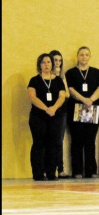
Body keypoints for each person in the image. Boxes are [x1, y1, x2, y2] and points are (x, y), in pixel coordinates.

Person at [65, 46, 99, 178]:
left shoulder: (96, 72)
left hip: (93, 108)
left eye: (86, 55)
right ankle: (77, 170)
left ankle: (91, 170)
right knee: (77, 140)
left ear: (90, 57)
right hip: (76, 108)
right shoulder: (71, 73)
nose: (84, 57)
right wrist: (83, 99)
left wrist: (91, 99)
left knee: (90, 139)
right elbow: (70, 89)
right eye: (81, 54)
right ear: (77, 56)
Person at [27, 53, 67, 181]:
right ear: (39, 65)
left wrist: (54, 108)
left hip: (55, 116)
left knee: (54, 144)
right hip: (38, 116)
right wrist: (46, 109)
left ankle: (51, 173)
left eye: (49, 62)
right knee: (39, 144)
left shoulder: (58, 80)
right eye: (43, 62)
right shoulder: (34, 80)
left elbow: (62, 96)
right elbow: (32, 97)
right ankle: (38, 173)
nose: (46, 65)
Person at [49, 50, 70, 179]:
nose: (57, 63)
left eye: (59, 60)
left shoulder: (62, 77)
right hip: (48, 109)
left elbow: (66, 93)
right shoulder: (45, 76)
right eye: (55, 60)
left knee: (59, 140)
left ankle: (60, 169)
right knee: (48, 141)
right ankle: (48, 169)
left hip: (61, 110)